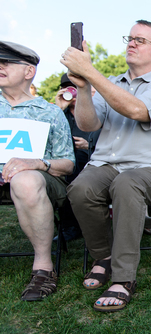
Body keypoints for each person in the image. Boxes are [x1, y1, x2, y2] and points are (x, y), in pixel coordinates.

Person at [61, 20, 151, 312]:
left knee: (127, 183)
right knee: (81, 188)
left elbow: (136, 110)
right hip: (108, 164)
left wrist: (90, 71)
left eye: (141, 40)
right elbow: (88, 124)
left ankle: (124, 277)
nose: (132, 43)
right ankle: (103, 257)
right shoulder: (111, 83)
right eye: (130, 38)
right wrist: (84, 88)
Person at [0, 41, 75, 301]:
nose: (0, 66)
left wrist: (38, 163)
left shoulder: (50, 113)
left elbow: (67, 164)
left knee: (26, 179)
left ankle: (43, 267)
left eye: (7, 62)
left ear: (29, 71)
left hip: (39, 180)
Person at [53, 73, 101, 241]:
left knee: (75, 165)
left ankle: (76, 225)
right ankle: (70, 226)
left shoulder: (97, 112)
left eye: (76, 87)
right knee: (66, 168)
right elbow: (42, 140)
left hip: (92, 162)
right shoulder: (57, 114)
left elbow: (112, 143)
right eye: (67, 88)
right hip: (63, 166)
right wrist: (58, 109)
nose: (72, 91)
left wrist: (89, 145)